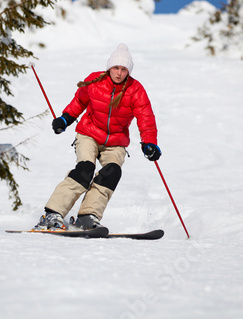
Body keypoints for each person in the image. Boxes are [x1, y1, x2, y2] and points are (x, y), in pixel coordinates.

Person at [35, 43, 161, 231]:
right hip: (89, 133)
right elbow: (79, 101)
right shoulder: (95, 81)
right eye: (116, 68)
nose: (118, 73)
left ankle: (88, 215)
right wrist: (65, 119)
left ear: (129, 71)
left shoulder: (136, 90)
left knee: (112, 172)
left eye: (123, 69)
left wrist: (149, 144)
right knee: (85, 169)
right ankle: (52, 214)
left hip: (116, 141)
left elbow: (146, 118)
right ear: (109, 67)